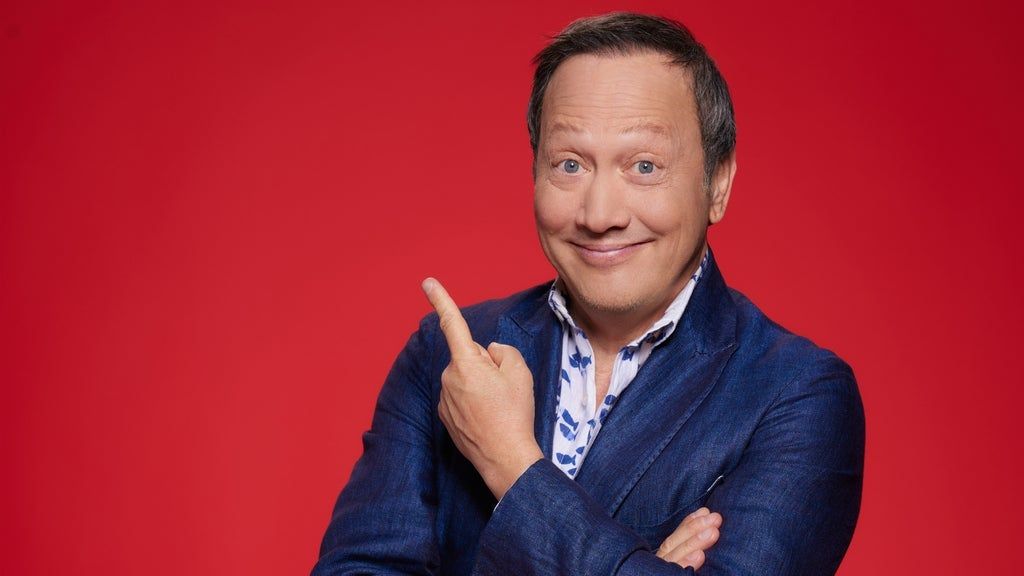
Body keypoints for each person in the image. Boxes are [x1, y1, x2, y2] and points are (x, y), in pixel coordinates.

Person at [312, 12, 864, 575]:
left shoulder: (797, 395)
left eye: (644, 166)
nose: (600, 215)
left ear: (717, 183)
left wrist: (512, 466)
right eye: (570, 164)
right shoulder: (449, 354)